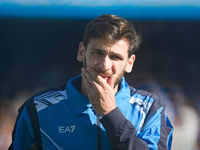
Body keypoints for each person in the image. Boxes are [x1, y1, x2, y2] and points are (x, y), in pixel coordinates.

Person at [9, 14, 173, 150]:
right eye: (97, 53)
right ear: (82, 52)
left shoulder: (150, 108)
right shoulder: (39, 109)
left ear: (129, 63)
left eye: (115, 57)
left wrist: (111, 115)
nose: (105, 65)